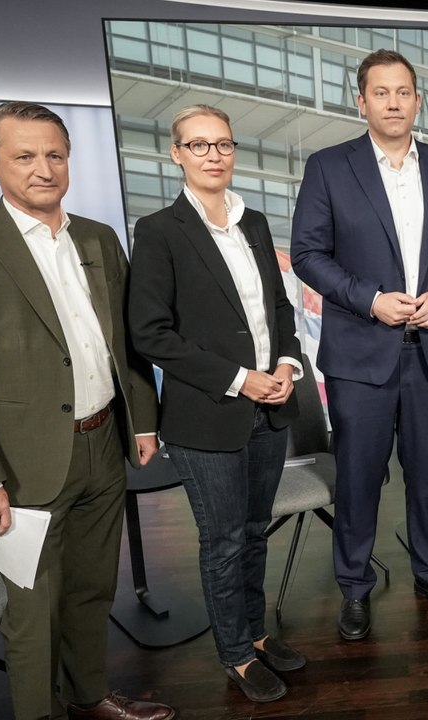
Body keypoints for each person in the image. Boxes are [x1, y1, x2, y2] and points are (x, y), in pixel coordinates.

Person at [0, 102, 173, 720]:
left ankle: (89, 695)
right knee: (31, 611)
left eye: (55, 154)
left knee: (90, 590)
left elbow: (123, 340)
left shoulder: (98, 238)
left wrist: (143, 418)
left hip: (102, 444)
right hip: (21, 463)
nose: (43, 168)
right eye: (24, 156)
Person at [290, 49, 428, 640]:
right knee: (357, 475)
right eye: (382, 92)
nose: (394, 102)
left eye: (404, 91)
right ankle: (354, 585)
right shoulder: (329, 166)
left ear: (417, 99)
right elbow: (307, 254)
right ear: (362, 100)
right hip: (360, 352)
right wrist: (367, 298)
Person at [127, 105, 307, 703]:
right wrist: (241, 379)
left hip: (270, 407)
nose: (213, 155)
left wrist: (284, 365)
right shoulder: (159, 231)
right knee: (224, 540)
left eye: (223, 144)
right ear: (176, 154)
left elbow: (279, 308)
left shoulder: (253, 222)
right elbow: (151, 334)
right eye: (198, 145)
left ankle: (255, 635)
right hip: (207, 414)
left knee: (255, 530)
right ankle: (235, 654)